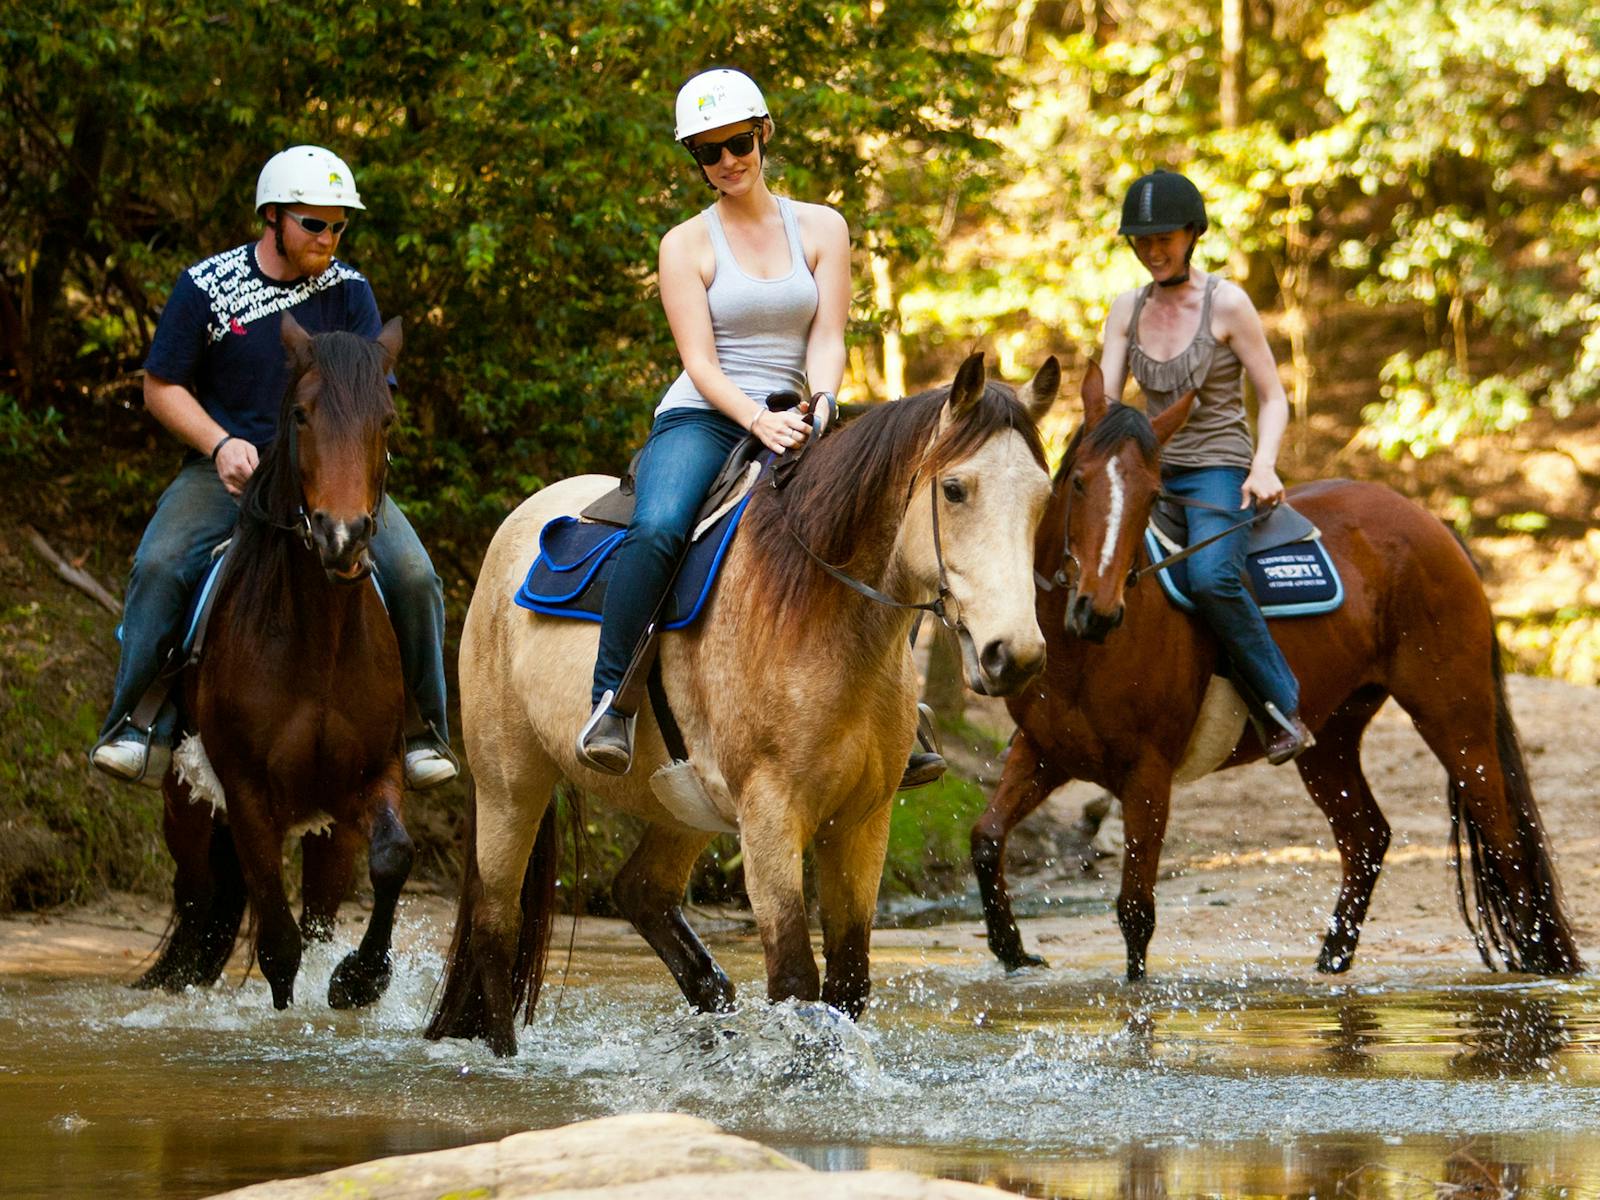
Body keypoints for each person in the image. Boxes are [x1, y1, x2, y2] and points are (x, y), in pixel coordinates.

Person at [576, 68, 945, 790]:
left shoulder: (823, 227)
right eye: (707, 153)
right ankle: (611, 700)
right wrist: (757, 421)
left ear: (764, 133)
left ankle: (906, 712)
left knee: (888, 523)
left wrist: (828, 399)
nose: (726, 163)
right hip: (706, 414)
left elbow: (829, 333)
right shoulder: (685, 244)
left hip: (801, 408)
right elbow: (699, 361)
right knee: (657, 527)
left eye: (737, 143)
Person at [90, 145, 458, 790]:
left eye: (339, 225)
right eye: (314, 223)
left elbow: (372, 392)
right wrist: (219, 442)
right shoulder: (207, 285)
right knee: (160, 564)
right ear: (272, 217)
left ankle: (423, 731)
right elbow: (161, 386)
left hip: (329, 474)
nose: (329, 237)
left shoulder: (350, 293)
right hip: (226, 473)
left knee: (417, 576)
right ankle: (136, 722)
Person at [1097, 168, 1314, 764]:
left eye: (1164, 237)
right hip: (1150, 473)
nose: (1152, 250)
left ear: (1193, 234)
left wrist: (1263, 466)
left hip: (1218, 468)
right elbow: (1109, 409)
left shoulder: (1228, 303)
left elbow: (1273, 397)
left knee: (1212, 577)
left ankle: (1281, 706)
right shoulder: (1124, 309)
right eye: (1141, 241)